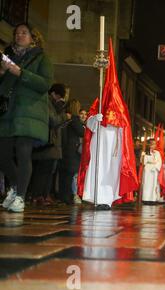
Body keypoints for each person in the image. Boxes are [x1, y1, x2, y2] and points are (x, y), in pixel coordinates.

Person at [77, 39, 138, 210]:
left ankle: (107, 199)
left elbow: (124, 127)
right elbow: (89, 123)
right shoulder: (99, 102)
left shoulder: (120, 105)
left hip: (113, 146)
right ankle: (96, 196)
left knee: (110, 171)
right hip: (99, 141)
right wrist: (94, 119)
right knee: (98, 167)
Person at [0, 23, 53, 213]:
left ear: (34, 37)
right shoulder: (8, 57)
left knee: (23, 153)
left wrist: (20, 72)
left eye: (24, 33)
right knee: (2, 154)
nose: (19, 35)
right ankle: (16, 186)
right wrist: (2, 72)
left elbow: (45, 83)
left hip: (30, 112)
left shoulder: (41, 58)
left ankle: (21, 197)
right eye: (17, 33)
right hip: (8, 112)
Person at [29, 83, 68, 206]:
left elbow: (60, 120)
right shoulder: (46, 102)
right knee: (43, 170)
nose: (59, 99)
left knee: (49, 171)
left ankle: (44, 195)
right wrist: (60, 108)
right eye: (58, 96)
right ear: (53, 94)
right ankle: (37, 195)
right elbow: (54, 120)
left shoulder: (53, 104)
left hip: (53, 143)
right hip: (47, 142)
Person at [59, 99, 85, 205]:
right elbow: (82, 132)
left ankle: (64, 196)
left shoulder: (68, 119)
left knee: (66, 175)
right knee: (69, 175)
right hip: (72, 151)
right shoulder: (75, 120)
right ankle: (66, 197)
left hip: (66, 149)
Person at [141, 139, 162, 205]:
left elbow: (159, 161)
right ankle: (146, 199)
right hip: (148, 170)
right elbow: (143, 162)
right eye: (153, 144)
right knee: (147, 184)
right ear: (149, 145)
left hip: (154, 169)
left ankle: (153, 199)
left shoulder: (157, 153)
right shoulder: (145, 152)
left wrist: (156, 167)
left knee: (154, 184)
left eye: (155, 144)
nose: (154, 145)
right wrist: (143, 156)